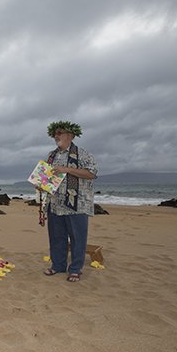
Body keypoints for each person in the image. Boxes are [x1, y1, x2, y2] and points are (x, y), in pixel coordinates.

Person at [42, 121, 98, 282]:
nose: (56, 136)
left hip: (77, 205)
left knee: (77, 238)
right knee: (56, 237)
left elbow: (92, 173)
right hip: (55, 204)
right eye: (55, 133)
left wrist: (67, 169)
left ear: (71, 135)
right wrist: (41, 186)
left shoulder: (82, 153)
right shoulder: (50, 155)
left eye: (60, 133)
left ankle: (75, 269)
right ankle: (58, 266)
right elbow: (45, 178)